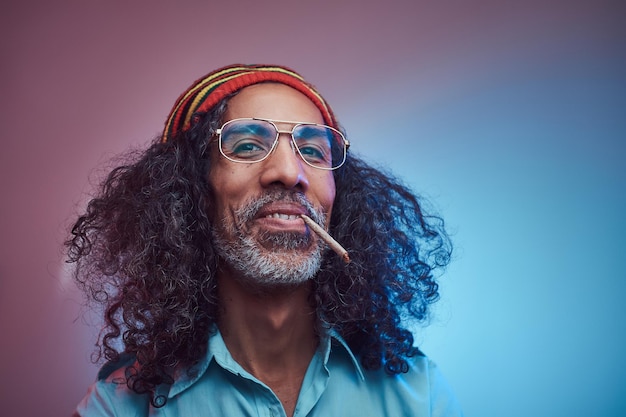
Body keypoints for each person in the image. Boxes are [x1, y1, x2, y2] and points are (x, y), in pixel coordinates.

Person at [67, 64, 462, 416]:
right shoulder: (118, 406)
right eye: (248, 145)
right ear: (191, 192)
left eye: (311, 150)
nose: (290, 173)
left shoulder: (419, 395)